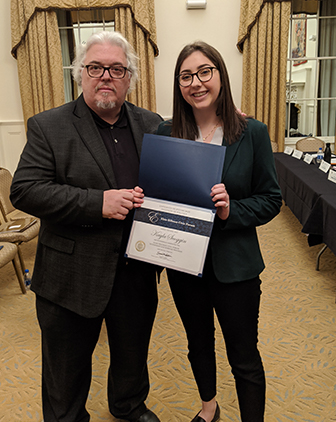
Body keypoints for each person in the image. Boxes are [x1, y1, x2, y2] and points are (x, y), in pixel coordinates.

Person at [10, 31, 163, 422]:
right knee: (65, 372)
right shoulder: (49, 126)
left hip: (136, 269)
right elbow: (26, 190)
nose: (105, 76)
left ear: (130, 77)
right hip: (70, 275)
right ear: (80, 74)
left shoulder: (153, 124)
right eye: (95, 67)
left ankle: (128, 404)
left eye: (116, 69)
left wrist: (230, 118)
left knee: (132, 354)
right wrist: (99, 203)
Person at [156, 41, 282, 422]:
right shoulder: (166, 132)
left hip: (236, 267)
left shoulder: (252, 132)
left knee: (244, 353)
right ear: (179, 85)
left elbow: (271, 199)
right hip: (183, 265)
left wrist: (231, 211)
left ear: (220, 76)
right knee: (198, 344)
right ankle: (209, 408)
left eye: (204, 71)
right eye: (186, 76)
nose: (196, 82)